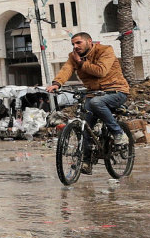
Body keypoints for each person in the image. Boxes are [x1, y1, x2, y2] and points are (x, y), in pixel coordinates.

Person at [46, 32, 130, 165]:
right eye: (73, 44)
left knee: (96, 103)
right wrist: (57, 83)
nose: (75, 46)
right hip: (93, 93)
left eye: (78, 43)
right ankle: (87, 161)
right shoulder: (73, 57)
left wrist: (80, 63)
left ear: (89, 41)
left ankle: (118, 133)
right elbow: (66, 70)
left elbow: (100, 71)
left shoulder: (105, 50)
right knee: (85, 126)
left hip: (116, 91)